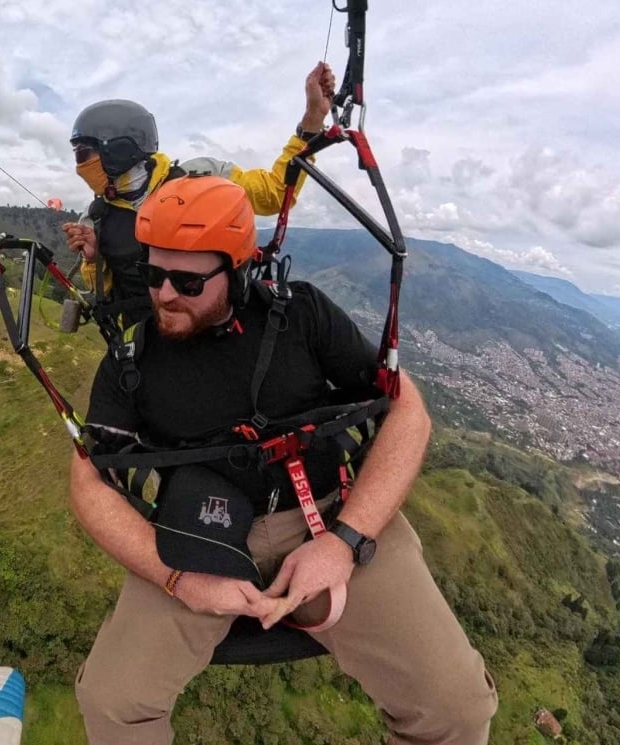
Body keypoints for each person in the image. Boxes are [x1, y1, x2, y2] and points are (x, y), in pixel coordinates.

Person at [69, 176, 497, 745]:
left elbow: (406, 408)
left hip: (326, 514)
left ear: (237, 269)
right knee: (113, 702)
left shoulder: (301, 317)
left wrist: (346, 541)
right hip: (198, 536)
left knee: (455, 708)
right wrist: (176, 578)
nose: (165, 294)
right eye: (153, 274)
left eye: (188, 280)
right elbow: (90, 477)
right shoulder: (134, 356)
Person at [63, 62, 337, 329]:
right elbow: (108, 293)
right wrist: (93, 257)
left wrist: (312, 120)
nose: (79, 167)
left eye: (83, 154)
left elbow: (275, 194)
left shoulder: (203, 177)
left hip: (215, 333)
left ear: (117, 149)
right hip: (147, 347)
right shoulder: (95, 218)